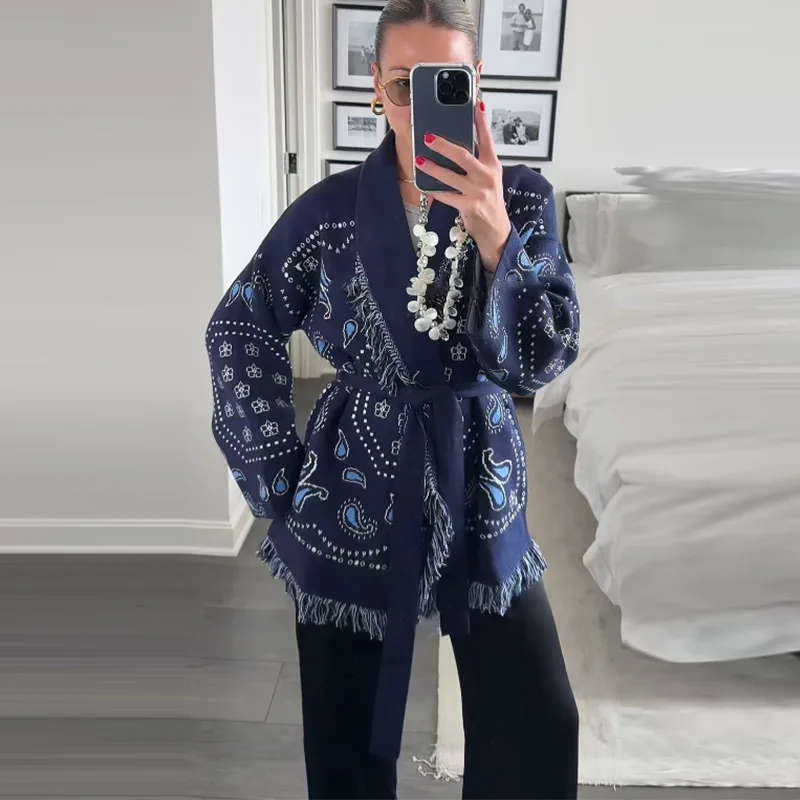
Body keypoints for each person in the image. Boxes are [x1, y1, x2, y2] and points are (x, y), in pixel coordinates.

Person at [205, 1, 580, 798]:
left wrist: (496, 236)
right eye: (405, 84)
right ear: (377, 86)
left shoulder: (523, 200)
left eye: (445, 80)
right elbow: (240, 325)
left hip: (482, 478)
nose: (419, 102)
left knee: (538, 722)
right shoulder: (328, 212)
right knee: (343, 735)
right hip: (351, 485)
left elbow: (544, 357)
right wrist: (276, 478)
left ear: (476, 84)